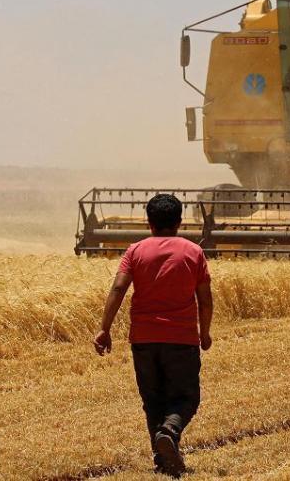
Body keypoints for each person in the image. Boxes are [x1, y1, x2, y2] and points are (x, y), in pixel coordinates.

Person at [93, 193, 213, 477]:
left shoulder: (135, 251)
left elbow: (118, 289)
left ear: (149, 223)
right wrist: (204, 332)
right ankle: (170, 432)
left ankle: (162, 459)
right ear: (179, 222)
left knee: (153, 401)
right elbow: (205, 299)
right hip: (182, 339)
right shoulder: (193, 252)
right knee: (186, 398)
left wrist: (104, 328)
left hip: (144, 340)